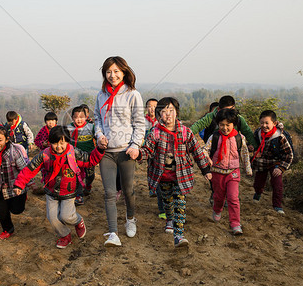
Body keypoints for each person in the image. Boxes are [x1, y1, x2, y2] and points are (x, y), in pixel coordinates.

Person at [138, 97, 212, 247]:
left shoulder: (186, 132)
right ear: (159, 116)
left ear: (176, 112)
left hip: (181, 176)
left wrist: (205, 169)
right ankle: (169, 219)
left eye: (171, 110)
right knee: (167, 202)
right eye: (164, 112)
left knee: (180, 203)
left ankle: (179, 236)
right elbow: (147, 151)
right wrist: (138, 154)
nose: (168, 114)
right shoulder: (155, 133)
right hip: (163, 176)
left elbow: (197, 152)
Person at [14, 126, 105, 248]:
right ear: (50, 142)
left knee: (66, 216)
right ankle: (65, 235)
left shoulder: (73, 153)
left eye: (62, 143)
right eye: (55, 143)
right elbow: (30, 169)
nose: (58, 147)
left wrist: (99, 149)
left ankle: (78, 221)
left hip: (69, 191)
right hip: (51, 191)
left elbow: (89, 160)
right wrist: (19, 184)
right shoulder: (44, 155)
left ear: (67, 141)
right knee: (52, 218)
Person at [94, 56, 145, 247]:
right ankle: (113, 233)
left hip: (126, 151)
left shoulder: (133, 94)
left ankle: (130, 218)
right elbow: (97, 119)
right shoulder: (100, 95)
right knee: (108, 193)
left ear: (124, 72)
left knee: (128, 190)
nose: (112, 75)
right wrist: (99, 135)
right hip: (106, 152)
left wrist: (135, 145)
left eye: (116, 71)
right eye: (108, 72)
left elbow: (140, 123)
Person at [206, 108, 252, 235]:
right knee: (219, 196)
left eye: (228, 125)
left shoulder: (239, 138)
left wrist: (247, 168)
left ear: (234, 124)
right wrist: (207, 159)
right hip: (217, 172)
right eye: (222, 125)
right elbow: (206, 149)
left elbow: (244, 153)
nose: (225, 128)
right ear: (217, 124)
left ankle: (235, 224)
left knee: (233, 198)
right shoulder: (214, 137)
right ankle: (217, 209)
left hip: (233, 172)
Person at [251, 110, 294, 214]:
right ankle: (258, 192)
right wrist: (251, 146)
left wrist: (281, 168)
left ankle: (277, 205)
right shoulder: (258, 133)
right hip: (262, 162)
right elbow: (253, 143)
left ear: (274, 123)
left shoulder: (280, 136)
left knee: (277, 184)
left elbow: (289, 154)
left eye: (267, 123)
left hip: (276, 163)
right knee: (258, 182)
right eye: (262, 123)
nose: (264, 125)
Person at [67, 106, 96, 205]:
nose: (79, 119)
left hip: (89, 156)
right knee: (77, 176)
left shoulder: (91, 127)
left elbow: (98, 138)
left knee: (90, 175)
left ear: (86, 117)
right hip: (74, 157)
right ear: (72, 118)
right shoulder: (69, 128)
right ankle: (78, 195)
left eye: (81, 117)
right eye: (76, 117)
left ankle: (88, 185)